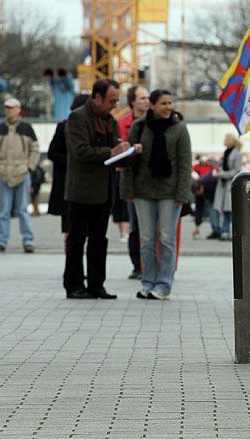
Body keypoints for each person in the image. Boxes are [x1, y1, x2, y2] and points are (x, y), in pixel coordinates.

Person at [63, 79, 140, 299]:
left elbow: (113, 153)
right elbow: (81, 152)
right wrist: (112, 152)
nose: (115, 105)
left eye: (116, 101)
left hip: (103, 191)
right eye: (111, 100)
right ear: (96, 97)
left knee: (99, 239)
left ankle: (97, 284)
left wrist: (128, 153)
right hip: (81, 191)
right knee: (77, 238)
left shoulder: (110, 120)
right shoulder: (78, 117)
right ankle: (74, 285)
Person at [121, 89, 192, 300]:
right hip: (143, 190)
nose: (168, 107)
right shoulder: (139, 127)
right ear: (152, 105)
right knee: (148, 239)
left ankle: (163, 285)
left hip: (170, 192)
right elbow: (127, 160)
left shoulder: (179, 128)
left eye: (170, 103)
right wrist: (127, 190)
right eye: (163, 103)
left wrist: (182, 193)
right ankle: (148, 282)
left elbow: (185, 163)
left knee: (167, 239)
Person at [0, 97, 39, 253]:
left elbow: (34, 149)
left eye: (11, 107)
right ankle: (1, 240)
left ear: (18, 109)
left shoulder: (26, 128)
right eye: (7, 107)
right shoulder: (0, 129)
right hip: (4, 174)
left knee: (22, 209)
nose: (8, 110)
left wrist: (29, 167)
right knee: (4, 210)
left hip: (22, 173)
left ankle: (28, 239)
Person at [118, 85, 150, 279]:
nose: (146, 101)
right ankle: (137, 265)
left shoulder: (154, 122)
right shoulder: (122, 123)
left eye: (148, 98)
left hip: (150, 179)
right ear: (132, 101)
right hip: (131, 178)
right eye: (142, 98)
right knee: (135, 225)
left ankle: (152, 265)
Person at [48, 94, 91, 233]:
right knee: (70, 227)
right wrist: (73, 162)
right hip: (67, 183)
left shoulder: (95, 126)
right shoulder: (64, 126)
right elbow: (53, 152)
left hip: (87, 185)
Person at [213, 133, 242, 241]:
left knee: (231, 211)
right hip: (223, 185)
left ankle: (232, 232)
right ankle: (225, 232)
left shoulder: (237, 153)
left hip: (230, 185)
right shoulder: (226, 152)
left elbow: (236, 170)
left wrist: (222, 174)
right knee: (224, 211)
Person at [191, 170, 221, 239]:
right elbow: (199, 208)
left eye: (199, 193)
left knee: (212, 209)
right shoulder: (198, 191)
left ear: (201, 188)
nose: (199, 195)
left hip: (217, 193)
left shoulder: (209, 181)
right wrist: (197, 226)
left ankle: (218, 230)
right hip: (211, 197)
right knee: (211, 210)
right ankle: (216, 230)